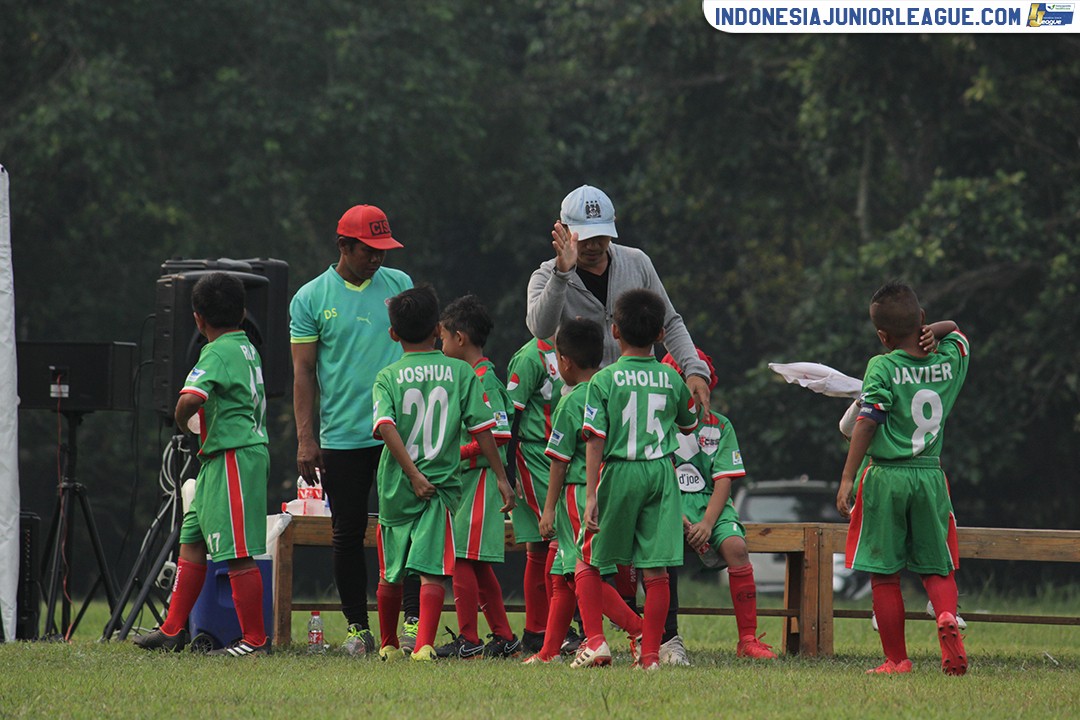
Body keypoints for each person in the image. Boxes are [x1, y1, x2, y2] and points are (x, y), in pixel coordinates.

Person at [289, 204, 419, 656]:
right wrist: (306, 438)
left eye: (384, 249)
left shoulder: (400, 285)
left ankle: (412, 623)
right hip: (342, 435)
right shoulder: (309, 298)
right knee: (346, 531)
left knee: (407, 526)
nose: (378, 258)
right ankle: (358, 628)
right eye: (369, 249)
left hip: (399, 433)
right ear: (344, 245)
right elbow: (303, 373)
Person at [372, 286, 513, 662]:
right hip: (442, 486)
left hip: (397, 485)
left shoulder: (387, 376)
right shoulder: (460, 373)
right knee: (432, 571)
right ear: (437, 329)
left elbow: (385, 425)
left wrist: (412, 473)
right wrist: (501, 477)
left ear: (393, 333)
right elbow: (484, 429)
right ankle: (423, 647)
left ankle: (388, 645)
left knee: (391, 571)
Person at [836, 281, 969, 676]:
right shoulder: (950, 359)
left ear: (882, 336)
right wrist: (939, 330)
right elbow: (958, 330)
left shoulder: (883, 365)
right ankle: (946, 615)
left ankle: (897, 660)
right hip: (929, 475)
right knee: (936, 567)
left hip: (885, 478)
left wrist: (847, 477)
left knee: (884, 572)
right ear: (922, 320)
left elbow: (868, 419)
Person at [134, 273, 271, 656]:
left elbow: (189, 400)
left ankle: (256, 641)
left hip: (234, 456)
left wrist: (184, 423)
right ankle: (173, 628)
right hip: (221, 457)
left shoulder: (216, 351)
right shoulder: (247, 347)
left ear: (198, 319)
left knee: (236, 551)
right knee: (192, 537)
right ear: (242, 312)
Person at [573, 289, 699, 669]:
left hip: (620, 470)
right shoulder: (670, 378)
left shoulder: (604, 381)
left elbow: (594, 438)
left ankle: (595, 641)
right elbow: (689, 423)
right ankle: (650, 658)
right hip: (660, 473)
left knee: (587, 561)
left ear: (614, 331)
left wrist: (592, 494)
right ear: (662, 334)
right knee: (656, 569)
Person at [525, 184, 713, 416]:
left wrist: (694, 370)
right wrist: (561, 275)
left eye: (600, 235)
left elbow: (670, 323)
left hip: (640, 404)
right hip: (585, 406)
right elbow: (540, 329)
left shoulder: (637, 262)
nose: (593, 245)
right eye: (584, 237)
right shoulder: (546, 275)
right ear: (563, 229)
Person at [525, 318, 643, 665]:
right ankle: (549, 651)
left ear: (564, 362)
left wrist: (547, 511)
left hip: (577, 494)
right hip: (611, 488)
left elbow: (559, 462)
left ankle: (625, 634)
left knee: (581, 572)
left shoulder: (572, 401)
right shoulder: (610, 391)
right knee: (562, 575)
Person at [662, 349, 777, 660]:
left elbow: (724, 480)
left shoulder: (720, 425)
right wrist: (680, 515)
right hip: (667, 502)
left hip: (712, 505)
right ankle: (658, 636)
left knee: (737, 547)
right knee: (657, 556)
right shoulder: (659, 423)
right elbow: (659, 477)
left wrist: (708, 524)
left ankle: (748, 639)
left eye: (699, 383)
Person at [434, 294, 520, 659]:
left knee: (463, 561)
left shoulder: (484, 379)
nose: (440, 345)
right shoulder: (470, 377)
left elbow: (498, 435)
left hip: (480, 480)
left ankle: (468, 640)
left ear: (459, 338)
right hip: (468, 482)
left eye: (442, 338)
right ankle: (504, 637)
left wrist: (454, 455)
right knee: (477, 563)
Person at [504, 336, 564, 653]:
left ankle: (537, 630)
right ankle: (556, 628)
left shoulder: (573, 344)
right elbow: (510, 413)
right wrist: (509, 470)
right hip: (536, 454)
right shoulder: (530, 357)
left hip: (565, 454)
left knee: (541, 545)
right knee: (558, 534)